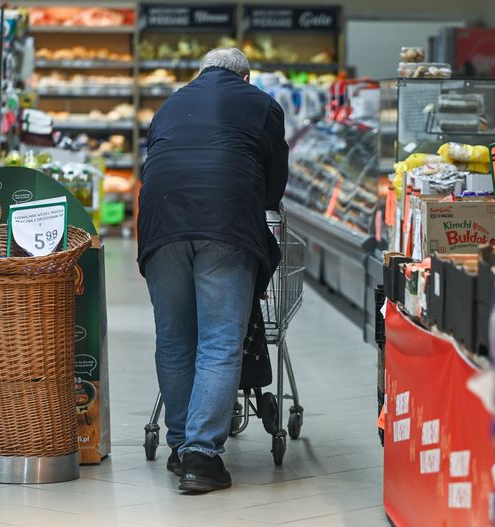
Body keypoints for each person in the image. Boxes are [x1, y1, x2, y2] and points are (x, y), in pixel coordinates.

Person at [137, 48, 288, 493]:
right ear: (244, 77)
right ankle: (202, 457)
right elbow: (274, 186)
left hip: (160, 224)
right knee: (220, 340)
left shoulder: (170, 103)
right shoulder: (261, 104)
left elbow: (156, 160)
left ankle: (181, 445)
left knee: (174, 337)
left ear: (200, 73)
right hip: (225, 222)